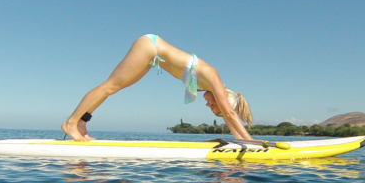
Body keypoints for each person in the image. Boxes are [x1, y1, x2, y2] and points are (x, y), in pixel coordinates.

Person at [62, 34, 254, 142]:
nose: (208, 106)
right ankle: (71, 122)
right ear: (222, 98)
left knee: (114, 88)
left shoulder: (208, 85)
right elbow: (229, 113)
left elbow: (228, 114)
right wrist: (251, 142)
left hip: (153, 56)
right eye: (214, 106)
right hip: (150, 47)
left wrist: (239, 138)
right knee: (110, 86)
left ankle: (81, 123)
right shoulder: (214, 78)